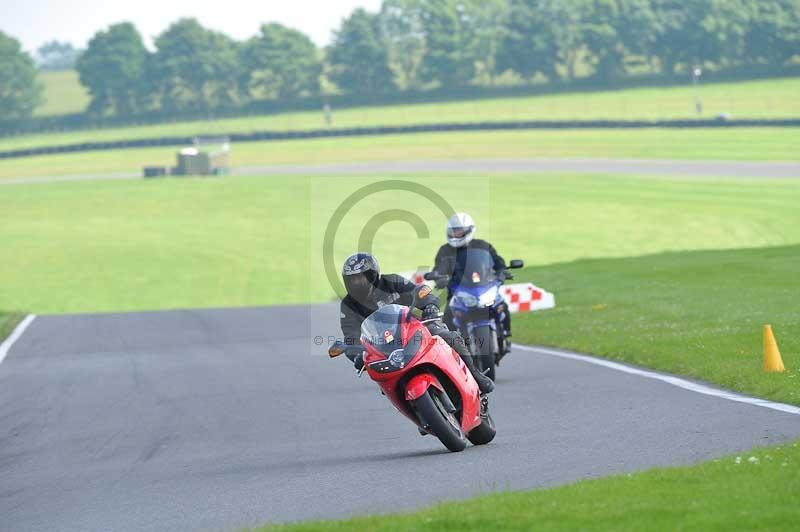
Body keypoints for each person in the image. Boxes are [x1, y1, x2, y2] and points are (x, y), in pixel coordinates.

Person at [339, 252, 494, 394]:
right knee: (383, 381)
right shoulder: (348, 305)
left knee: (447, 336)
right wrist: (357, 355)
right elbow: (350, 335)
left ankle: (476, 375)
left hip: (414, 329)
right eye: (353, 279)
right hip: (383, 348)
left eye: (361, 277)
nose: (357, 282)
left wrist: (429, 306)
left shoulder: (391, 281)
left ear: (372, 275)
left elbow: (418, 291)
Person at [432, 212, 512, 345]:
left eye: (459, 232)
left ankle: (505, 333)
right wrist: (438, 277)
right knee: (447, 321)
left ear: (469, 230)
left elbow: (498, 263)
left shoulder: (483, 246)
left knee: (502, 305)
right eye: (453, 231)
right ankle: (453, 351)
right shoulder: (445, 250)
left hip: (484, 288)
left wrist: (503, 272)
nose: (456, 234)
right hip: (457, 293)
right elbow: (438, 269)